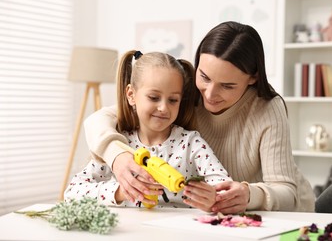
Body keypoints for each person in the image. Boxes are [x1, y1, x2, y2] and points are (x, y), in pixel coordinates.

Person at [83, 21, 316, 214]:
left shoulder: (267, 108)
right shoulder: (181, 96)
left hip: (284, 215)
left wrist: (250, 194)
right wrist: (118, 156)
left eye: (227, 86)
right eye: (204, 77)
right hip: (220, 215)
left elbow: (287, 191)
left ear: (253, 78)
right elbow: (98, 120)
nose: (210, 94)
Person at [64, 50, 231, 212]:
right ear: (131, 95)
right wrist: (121, 191)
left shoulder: (191, 144)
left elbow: (225, 187)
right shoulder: (118, 145)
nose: (164, 108)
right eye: (154, 97)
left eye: (173, 100)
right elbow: (72, 193)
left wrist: (213, 198)